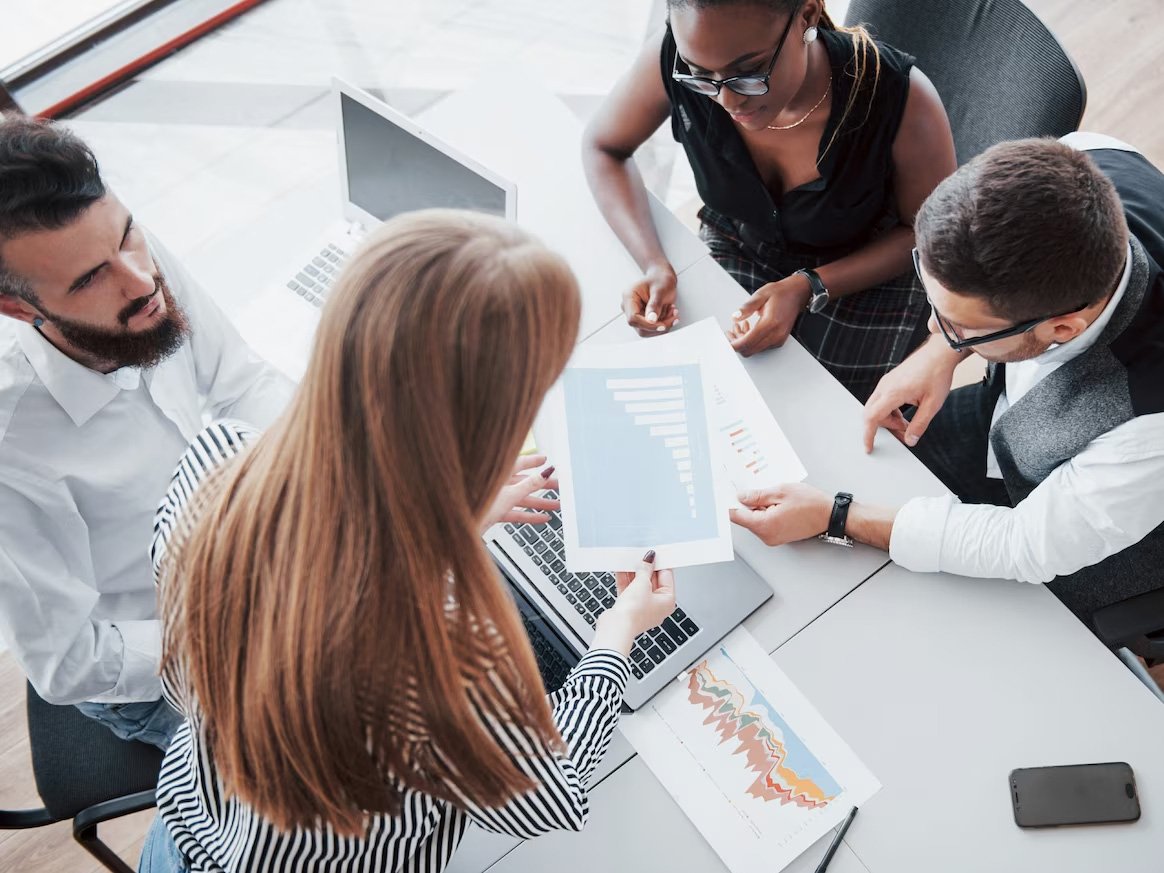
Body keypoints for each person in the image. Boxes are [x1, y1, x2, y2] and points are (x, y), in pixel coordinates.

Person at [139, 210, 677, 872]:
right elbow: (546, 794)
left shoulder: (215, 462)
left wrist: (454, 518)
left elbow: (314, 568)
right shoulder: (438, 652)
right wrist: (619, 630)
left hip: (190, 837)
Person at [729, 134, 1164, 626]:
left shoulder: (1149, 426)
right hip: (1008, 430)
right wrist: (943, 349)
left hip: (1097, 541)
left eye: (957, 325)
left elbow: (1026, 546)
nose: (932, 327)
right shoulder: (1084, 158)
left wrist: (837, 517)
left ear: (1062, 329)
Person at [0, 116, 292, 748]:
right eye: (87, 280)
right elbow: (70, 663)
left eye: (129, 235)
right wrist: (257, 621)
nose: (139, 282)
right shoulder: (10, 451)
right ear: (20, 308)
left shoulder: (124, 259)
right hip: (173, 655)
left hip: (247, 548)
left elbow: (241, 382)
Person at [582, 0, 956, 401]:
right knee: (699, 390)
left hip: (863, 274)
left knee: (818, 419)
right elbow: (604, 147)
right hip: (743, 243)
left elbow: (925, 235)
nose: (727, 102)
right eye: (701, 76)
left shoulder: (901, 97)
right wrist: (654, 263)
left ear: (807, 17)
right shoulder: (677, 56)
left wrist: (807, 286)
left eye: (748, 72)